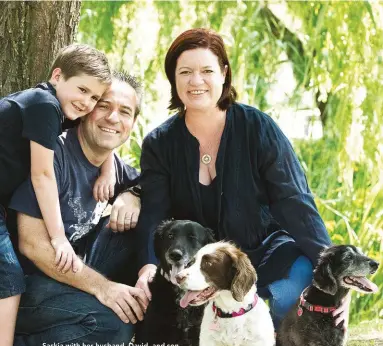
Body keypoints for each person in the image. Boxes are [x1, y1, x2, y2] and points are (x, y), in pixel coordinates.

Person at [135, 28, 350, 330]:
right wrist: (147, 265)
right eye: (185, 72)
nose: (196, 81)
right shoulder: (160, 143)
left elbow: (296, 203)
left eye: (206, 70)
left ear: (224, 73)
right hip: (201, 268)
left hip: (267, 253)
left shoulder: (258, 128)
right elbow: (154, 212)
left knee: (296, 291)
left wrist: (336, 273)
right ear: (173, 78)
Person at [8, 71, 152, 346]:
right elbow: (31, 244)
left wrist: (134, 194)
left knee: (138, 225)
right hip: (20, 287)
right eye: (104, 105)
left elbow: (153, 188)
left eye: (124, 111)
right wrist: (104, 288)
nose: (113, 117)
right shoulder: (53, 153)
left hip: (63, 277)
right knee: (113, 328)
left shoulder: (120, 171)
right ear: (87, 108)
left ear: (133, 124)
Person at [0, 44, 118, 346]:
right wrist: (58, 238)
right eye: (82, 89)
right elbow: (42, 175)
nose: (87, 102)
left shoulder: (56, 110)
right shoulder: (44, 105)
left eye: (94, 98)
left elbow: (95, 139)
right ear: (57, 76)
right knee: (8, 276)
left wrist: (108, 167)